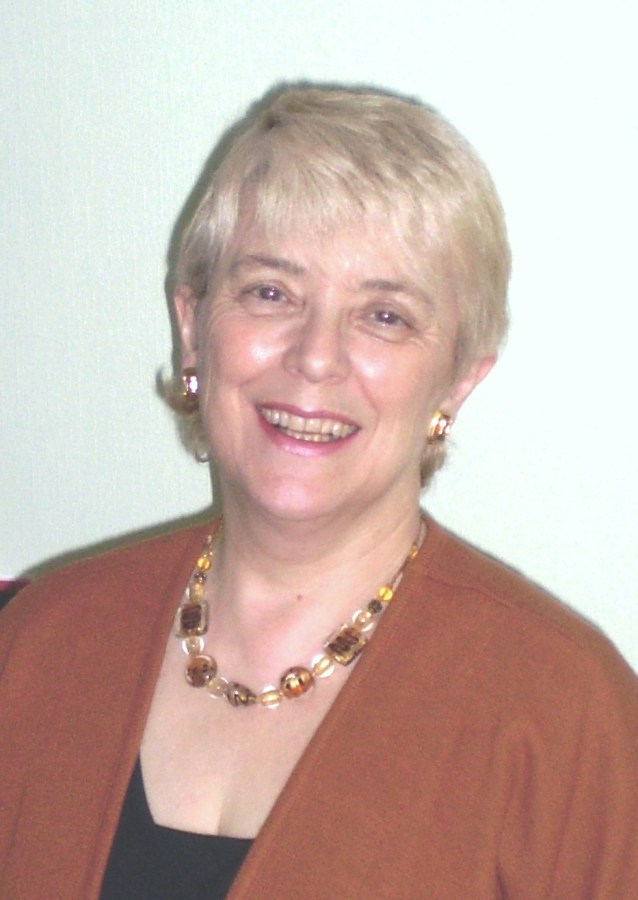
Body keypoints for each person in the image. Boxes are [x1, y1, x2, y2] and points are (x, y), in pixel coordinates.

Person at [1, 84, 638, 900]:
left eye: (385, 316)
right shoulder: (37, 646)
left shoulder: (562, 714)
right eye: (271, 293)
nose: (315, 357)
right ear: (192, 327)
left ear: (458, 381)